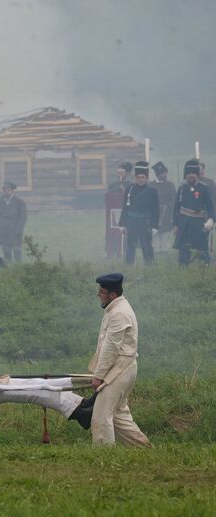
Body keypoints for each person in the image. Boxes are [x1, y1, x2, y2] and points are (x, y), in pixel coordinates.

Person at [87, 273, 150, 447]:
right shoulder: (116, 308)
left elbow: (110, 348)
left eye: (102, 291)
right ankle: (144, 449)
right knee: (119, 416)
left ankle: (103, 456)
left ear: (112, 295)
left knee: (100, 416)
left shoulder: (119, 313)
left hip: (120, 369)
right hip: (123, 368)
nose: (98, 294)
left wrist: (98, 376)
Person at [173, 159, 214, 266]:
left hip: (198, 221)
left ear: (197, 174)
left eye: (193, 173)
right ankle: (183, 268)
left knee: (201, 247)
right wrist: (175, 224)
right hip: (184, 222)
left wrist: (211, 219)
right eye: (189, 173)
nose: (191, 175)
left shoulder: (204, 187)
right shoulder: (182, 188)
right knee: (184, 248)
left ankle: (202, 268)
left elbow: (210, 206)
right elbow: (176, 208)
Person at [119, 161, 159, 265]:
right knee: (130, 246)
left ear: (146, 178)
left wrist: (155, 226)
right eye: (139, 177)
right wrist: (122, 224)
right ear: (136, 178)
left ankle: (150, 267)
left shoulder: (152, 191)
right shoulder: (129, 189)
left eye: (143, 177)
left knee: (146, 245)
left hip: (145, 222)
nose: (141, 179)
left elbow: (156, 210)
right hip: (132, 222)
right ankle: (129, 267)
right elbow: (125, 207)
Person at [0, 181, 27, 263]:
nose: (6, 191)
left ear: (12, 191)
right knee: (6, 252)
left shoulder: (19, 202)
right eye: (5, 190)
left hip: (15, 232)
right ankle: (9, 270)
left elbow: (22, 218)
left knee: (17, 252)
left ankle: (18, 269)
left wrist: (18, 230)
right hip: (2, 232)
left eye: (8, 189)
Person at [105, 162, 132, 259]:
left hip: (126, 213)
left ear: (127, 174)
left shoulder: (131, 185)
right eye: (118, 172)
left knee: (125, 233)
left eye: (122, 172)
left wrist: (124, 190)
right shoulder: (113, 185)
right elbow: (108, 196)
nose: (120, 174)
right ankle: (112, 251)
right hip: (113, 213)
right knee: (113, 232)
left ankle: (124, 251)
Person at [150, 161, 176, 254]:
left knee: (165, 236)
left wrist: (172, 216)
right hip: (154, 215)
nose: (165, 175)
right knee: (155, 236)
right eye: (162, 173)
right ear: (158, 174)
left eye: (165, 173)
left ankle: (165, 253)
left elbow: (173, 201)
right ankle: (156, 253)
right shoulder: (150, 185)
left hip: (166, 215)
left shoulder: (170, 185)